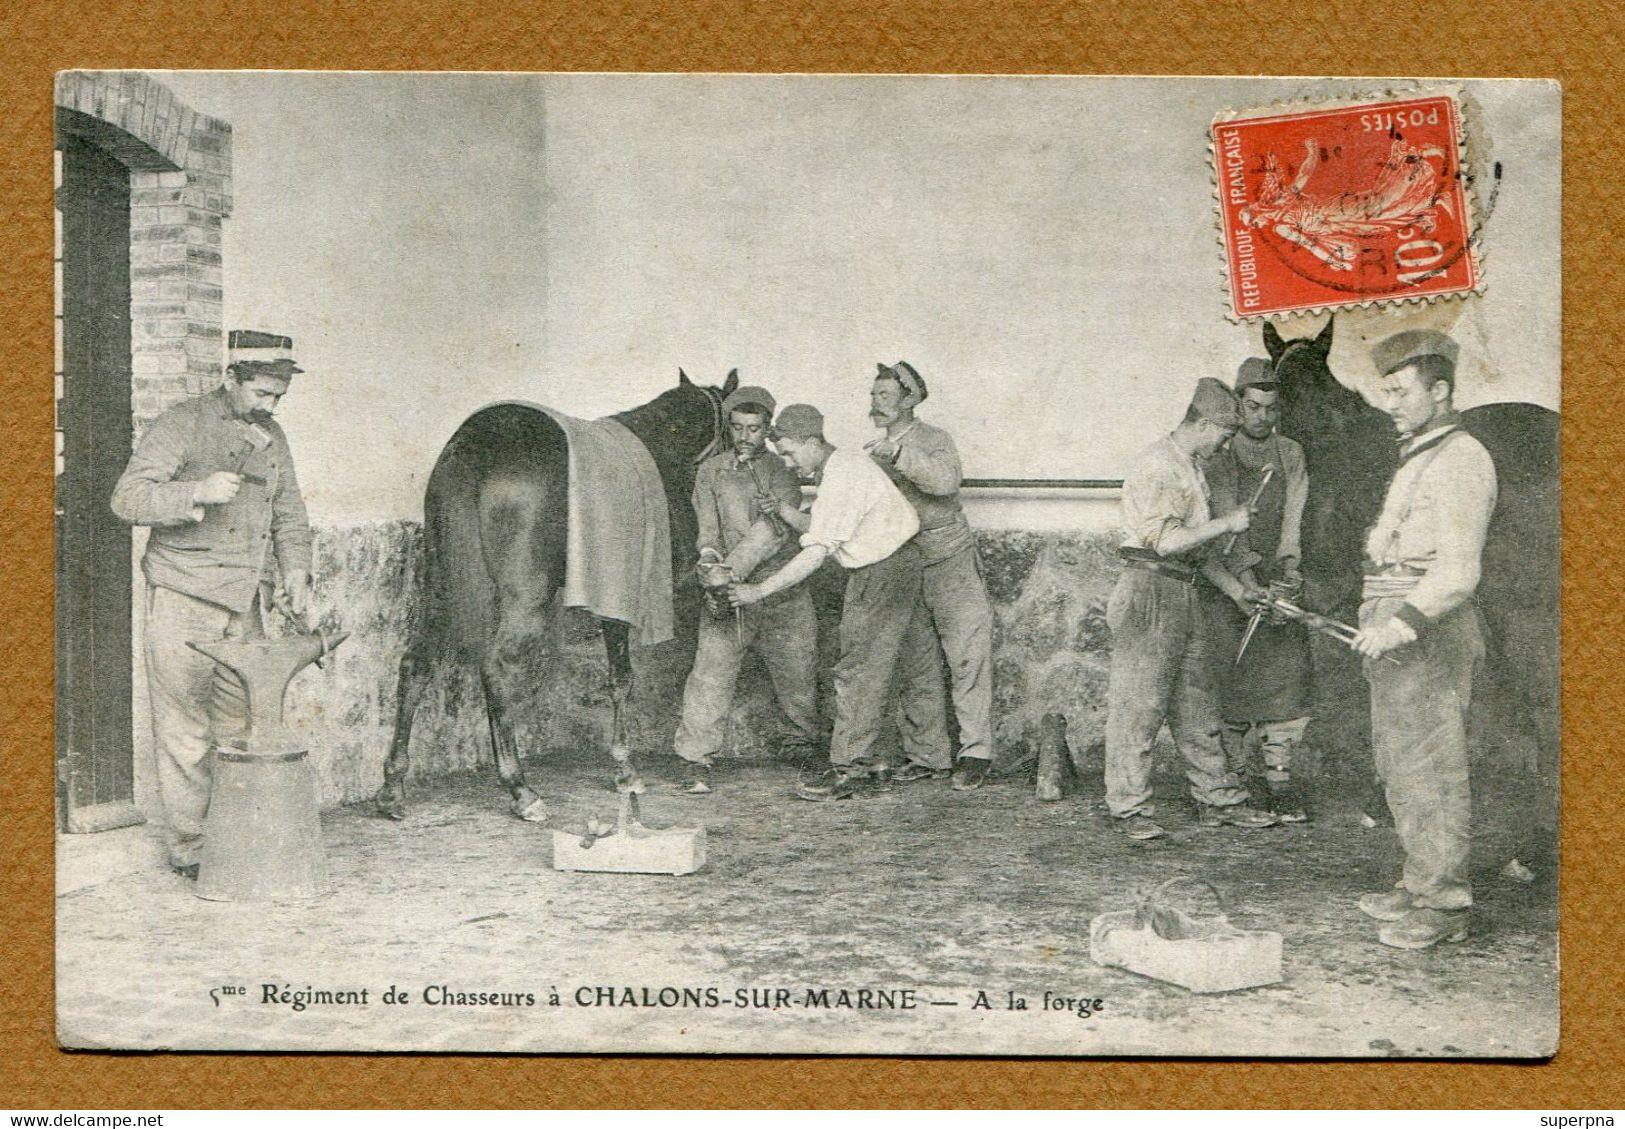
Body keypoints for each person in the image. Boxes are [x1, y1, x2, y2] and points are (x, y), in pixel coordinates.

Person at [110, 330, 314, 879]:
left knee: (241, 722)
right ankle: (193, 852)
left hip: (244, 605)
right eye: (261, 395)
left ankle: (235, 840)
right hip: (184, 597)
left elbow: (289, 513)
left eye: (278, 397)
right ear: (231, 379)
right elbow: (126, 498)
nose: (270, 407)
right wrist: (194, 492)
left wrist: (296, 573)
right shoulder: (183, 422)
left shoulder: (274, 436)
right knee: (185, 731)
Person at [1351, 329, 1496, 950]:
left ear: (1440, 391)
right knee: (1399, 761)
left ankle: (1444, 905)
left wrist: (1402, 623)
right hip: (1393, 620)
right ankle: (1418, 882)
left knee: (1431, 766)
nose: (1391, 402)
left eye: (1402, 390)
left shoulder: (1463, 458)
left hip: (1427, 628)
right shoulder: (1421, 452)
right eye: (1385, 390)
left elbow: (1459, 570)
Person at [729, 403, 940, 802]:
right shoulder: (845, 466)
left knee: (857, 669)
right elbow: (829, 525)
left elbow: (817, 550)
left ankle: (849, 768)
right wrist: (787, 512)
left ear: (811, 442)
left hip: (880, 572)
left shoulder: (842, 476)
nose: (788, 464)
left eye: (790, 452)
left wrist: (758, 590)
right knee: (905, 666)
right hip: (905, 562)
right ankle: (888, 761)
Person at [1104, 377, 1280, 840]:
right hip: (1149, 590)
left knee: (1197, 705)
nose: (1226, 444)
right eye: (1223, 434)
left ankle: (1218, 800)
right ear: (1202, 424)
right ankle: (1129, 808)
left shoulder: (1190, 464)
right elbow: (1165, 543)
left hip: (1183, 590)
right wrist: (1227, 522)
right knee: (1139, 708)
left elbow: (1197, 555)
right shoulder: (1158, 465)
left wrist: (1236, 591)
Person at [673, 385, 820, 792]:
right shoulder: (710, 471)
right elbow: (706, 526)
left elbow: (772, 532)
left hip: (779, 589)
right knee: (709, 675)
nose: (745, 437)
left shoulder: (783, 471)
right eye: (737, 428)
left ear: (767, 429)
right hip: (725, 590)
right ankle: (695, 759)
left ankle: (803, 748)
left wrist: (727, 571)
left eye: (754, 429)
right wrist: (707, 559)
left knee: (798, 675)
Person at [865, 361, 997, 791]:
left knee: (967, 657)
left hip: (950, 561)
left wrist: (901, 455)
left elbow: (945, 482)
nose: (875, 404)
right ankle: (928, 755)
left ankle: (976, 753)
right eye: (873, 395)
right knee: (915, 661)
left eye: (885, 396)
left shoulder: (934, 440)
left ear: (909, 400)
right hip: (902, 564)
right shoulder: (872, 451)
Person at [1200, 357, 1315, 821]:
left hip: (1276, 585)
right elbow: (1227, 521)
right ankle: (1234, 781)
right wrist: (1246, 581)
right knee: (1230, 679)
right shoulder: (1222, 453)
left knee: (1283, 683)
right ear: (1238, 404)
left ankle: (1279, 781)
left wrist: (1287, 575)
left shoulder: (1290, 453)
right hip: (1232, 583)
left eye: (1271, 409)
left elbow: (1295, 516)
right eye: (1253, 407)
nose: (1262, 418)